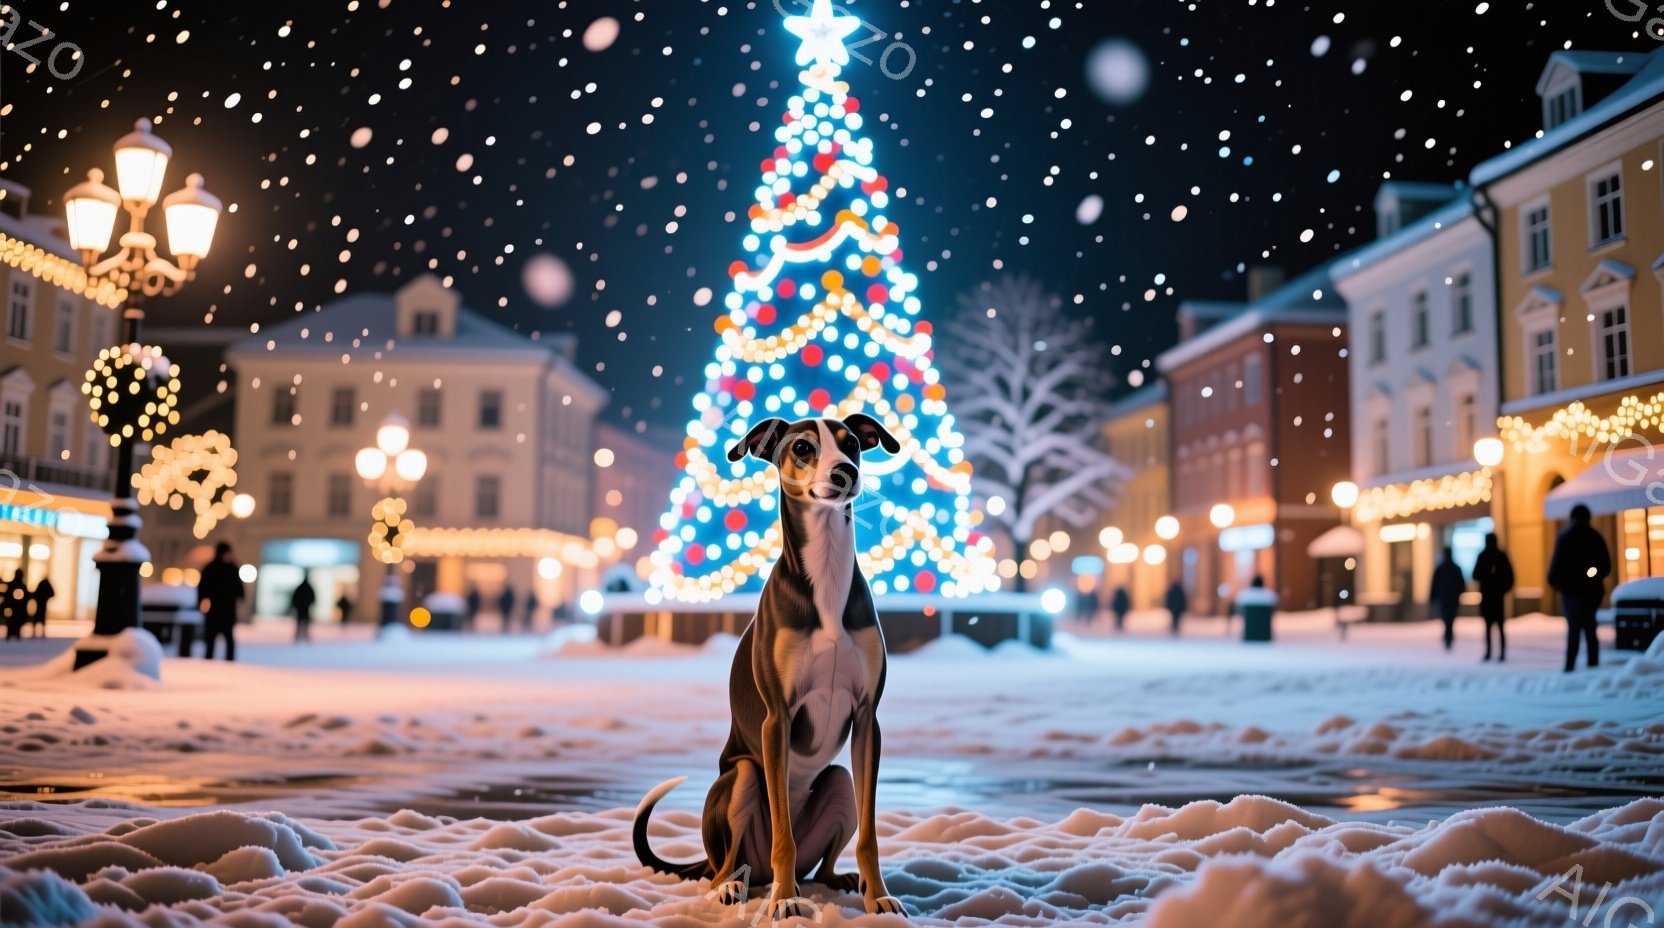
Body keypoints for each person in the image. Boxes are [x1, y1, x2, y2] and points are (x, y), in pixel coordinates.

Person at [1547, 503, 1610, 672]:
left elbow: (1554, 571)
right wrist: (1593, 576)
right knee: (1590, 630)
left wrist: (1562, 586)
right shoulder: (1594, 537)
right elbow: (1606, 565)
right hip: (1590, 593)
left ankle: (1570, 667)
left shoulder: (1565, 537)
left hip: (1572, 594)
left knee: (1574, 631)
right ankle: (1592, 666)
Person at [196, 542, 245, 660]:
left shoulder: (228, 568)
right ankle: (210, 658)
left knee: (226, 637)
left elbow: (239, 590)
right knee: (212, 638)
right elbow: (202, 589)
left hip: (225, 610)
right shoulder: (217, 568)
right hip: (216, 610)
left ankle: (228, 659)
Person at [1472, 533, 1514, 662]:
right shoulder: (1499, 556)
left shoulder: (1485, 556)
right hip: (1494, 597)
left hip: (1491, 597)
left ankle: (1492, 652)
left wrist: (1499, 588)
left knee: (1491, 627)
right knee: (1497, 627)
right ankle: (1497, 653)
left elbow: (1475, 575)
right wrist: (1502, 589)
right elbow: (1510, 577)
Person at [1428, 547, 1466, 652]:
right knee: (1449, 618)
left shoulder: (1441, 568)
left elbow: (1434, 584)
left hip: (1445, 598)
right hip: (1451, 598)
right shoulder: (1454, 568)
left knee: (1447, 618)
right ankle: (1448, 634)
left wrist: (1432, 597)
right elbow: (1462, 584)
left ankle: (1448, 635)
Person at [289, 571, 317, 643]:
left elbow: (295, 598)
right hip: (304, 608)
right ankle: (303, 636)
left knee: (300, 622)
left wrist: (294, 606)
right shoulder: (308, 587)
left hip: (301, 608)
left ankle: (299, 636)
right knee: (304, 622)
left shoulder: (300, 587)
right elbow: (313, 598)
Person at [2, 572, 24, 641]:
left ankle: (12, 636)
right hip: (15, 609)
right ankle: (14, 636)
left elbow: (6, 596)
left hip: (14, 609)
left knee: (12, 623)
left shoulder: (13, 585)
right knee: (14, 623)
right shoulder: (21, 585)